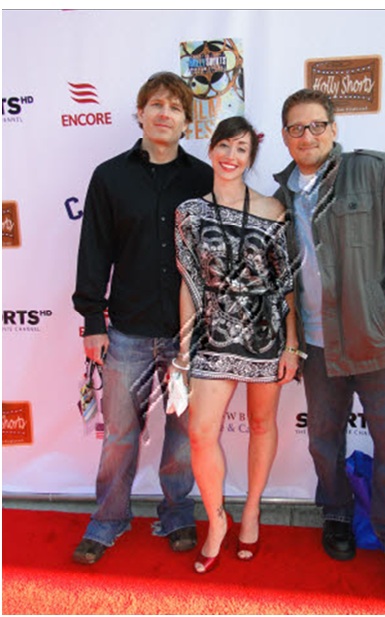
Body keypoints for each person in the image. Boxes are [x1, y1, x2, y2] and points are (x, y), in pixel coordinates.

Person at [274, 89, 385, 603]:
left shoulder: (373, 171)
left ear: (334, 129)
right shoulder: (279, 197)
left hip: (383, 343)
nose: (307, 136)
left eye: (316, 125)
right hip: (318, 346)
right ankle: (337, 513)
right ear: (285, 136)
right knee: (323, 440)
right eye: (296, 128)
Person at [71, 71, 213, 564]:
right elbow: (95, 250)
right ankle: (109, 518)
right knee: (118, 436)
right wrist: (93, 319)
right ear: (140, 113)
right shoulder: (110, 176)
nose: (164, 113)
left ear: (186, 122)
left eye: (174, 107)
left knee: (184, 436)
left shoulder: (204, 179)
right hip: (127, 331)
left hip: (187, 336)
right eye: (156, 104)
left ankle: (177, 513)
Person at [172, 116, 301, 574]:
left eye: (242, 149)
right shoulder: (190, 212)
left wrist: (292, 345)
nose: (231, 155)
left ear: (250, 159)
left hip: (266, 335)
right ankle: (217, 520)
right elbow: (189, 283)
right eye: (224, 145)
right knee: (201, 433)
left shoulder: (272, 209)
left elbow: (286, 284)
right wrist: (184, 353)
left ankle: (251, 511)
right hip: (212, 336)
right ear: (211, 149)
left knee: (262, 425)